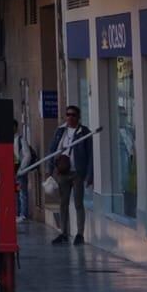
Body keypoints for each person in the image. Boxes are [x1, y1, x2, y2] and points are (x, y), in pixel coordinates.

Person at [50, 105, 93, 245]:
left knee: (78, 203)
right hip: (63, 172)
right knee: (63, 203)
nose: (70, 117)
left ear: (78, 117)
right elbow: (52, 149)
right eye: (67, 114)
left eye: (73, 115)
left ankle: (80, 234)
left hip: (77, 173)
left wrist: (89, 175)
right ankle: (63, 232)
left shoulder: (84, 132)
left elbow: (90, 155)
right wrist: (49, 169)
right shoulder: (60, 131)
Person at [14, 118, 37, 221]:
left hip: (19, 169)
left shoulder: (20, 139)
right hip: (11, 169)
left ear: (15, 127)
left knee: (22, 192)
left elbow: (27, 155)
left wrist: (22, 169)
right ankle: (16, 213)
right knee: (14, 192)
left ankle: (23, 214)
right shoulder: (6, 141)